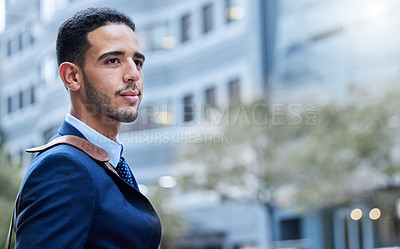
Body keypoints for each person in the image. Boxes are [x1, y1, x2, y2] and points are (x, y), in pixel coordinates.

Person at [13, 7, 162, 248]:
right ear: (72, 76)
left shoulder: (107, 161)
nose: (133, 74)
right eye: (113, 60)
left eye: (137, 62)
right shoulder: (63, 167)